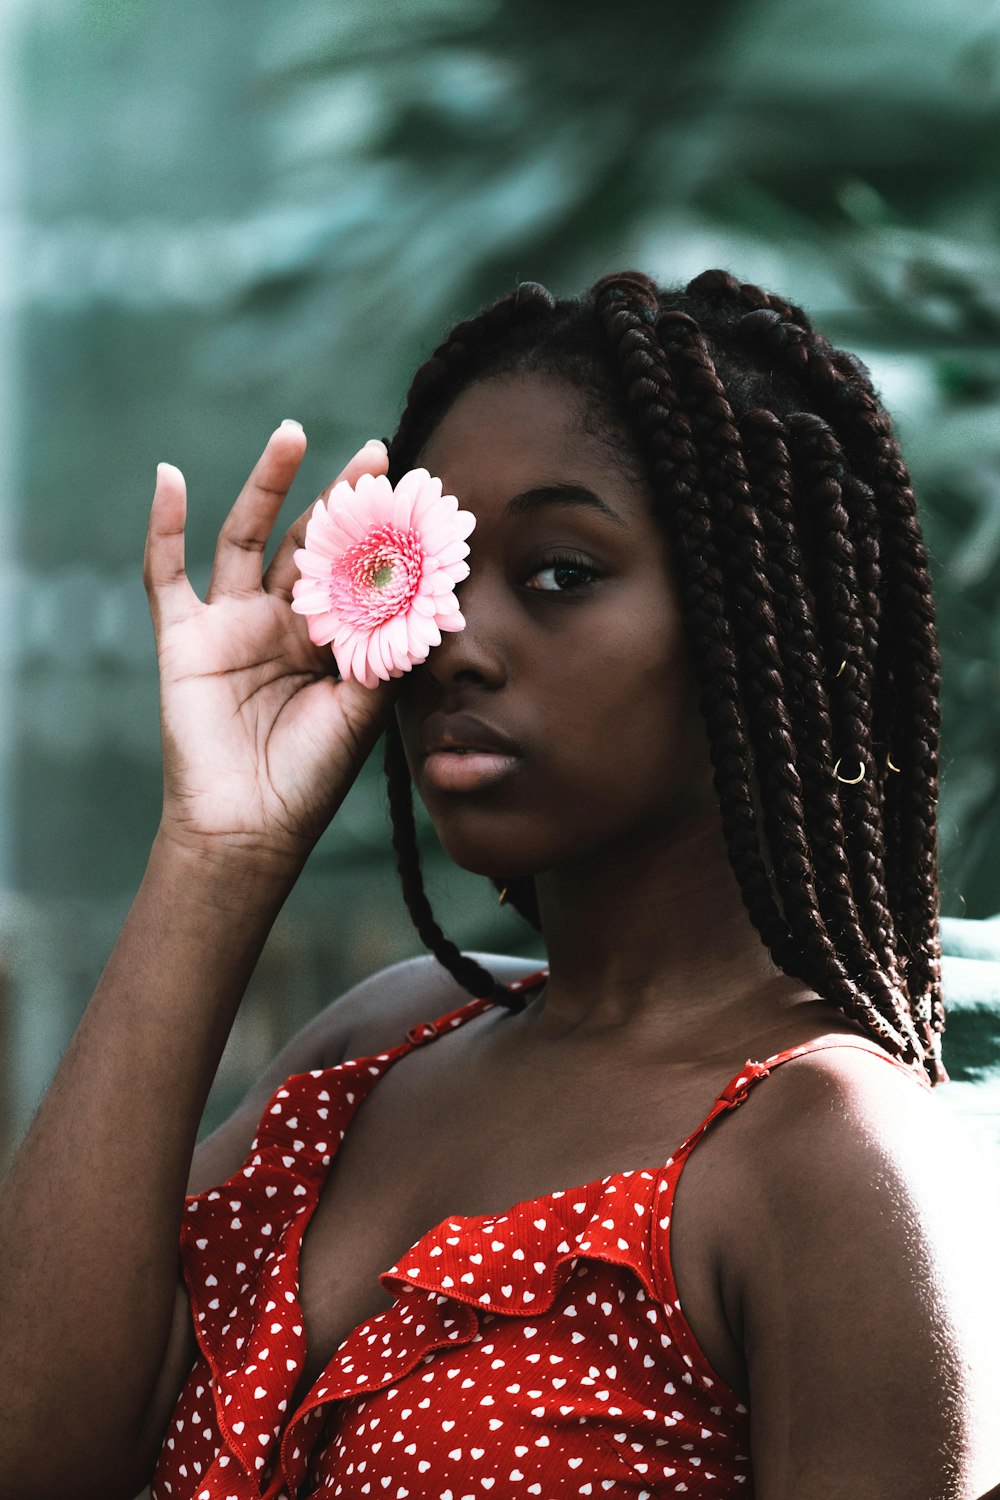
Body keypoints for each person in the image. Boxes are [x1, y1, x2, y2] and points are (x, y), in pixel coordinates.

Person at [1, 268, 999, 1500]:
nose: (454, 643)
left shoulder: (829, 1160)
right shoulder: (377, 1044)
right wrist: (217, 854)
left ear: (766, 622)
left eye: (560, 573)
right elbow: (28, 1448)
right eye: (428, 579)